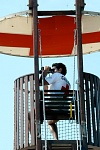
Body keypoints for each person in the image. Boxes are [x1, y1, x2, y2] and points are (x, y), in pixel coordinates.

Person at [40, 63, 70, 140]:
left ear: (60, 70)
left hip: (53, 106)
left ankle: (36, 137)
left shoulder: (57, 75)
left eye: (54, 70)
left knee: (30, 115)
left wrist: (45, 72)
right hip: (64, 108)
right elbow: (46, 90)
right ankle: (56, 139)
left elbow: (40, 83)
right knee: (51, 122)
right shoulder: (67, 81)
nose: (52, 72)